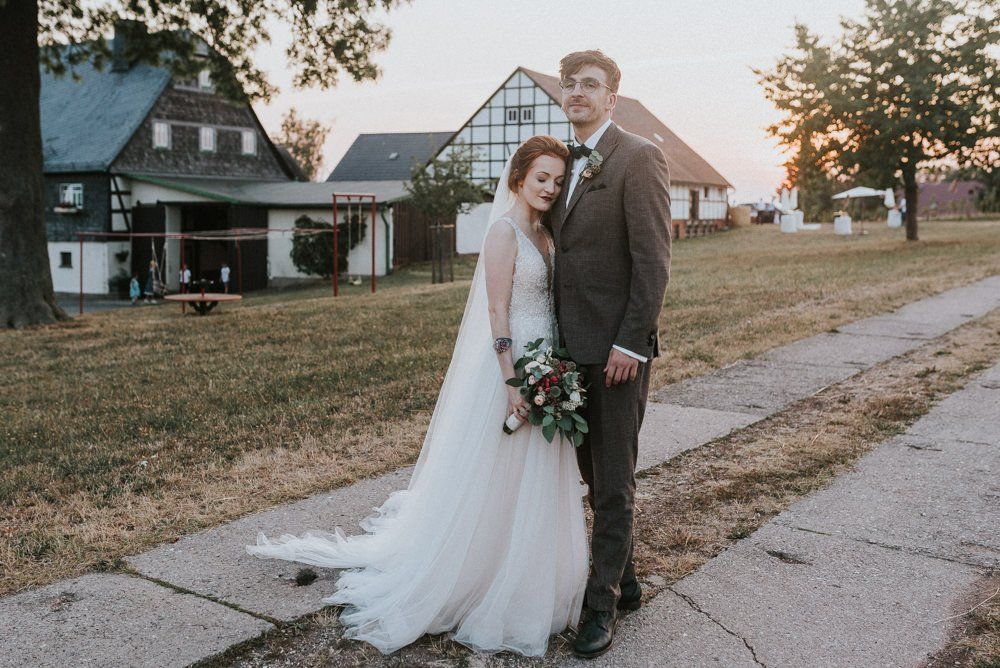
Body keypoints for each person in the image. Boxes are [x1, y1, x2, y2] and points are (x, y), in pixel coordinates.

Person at [247, 137, 587, 657]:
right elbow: (497, 315)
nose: (550, 187)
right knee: (495, 476)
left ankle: (532, 577)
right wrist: (512, 378)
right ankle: (477, 574)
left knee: (535, 476)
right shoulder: (504, 233)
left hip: (548, 364)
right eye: (542, 177)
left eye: (558, 181)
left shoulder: (545, 233)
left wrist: (554, 369)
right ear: (518, 176)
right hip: (513, 368)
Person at [546, 50, 671, 658]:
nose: (577, 93)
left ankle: (600, 611)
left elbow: (653, 263)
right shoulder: (557, 161)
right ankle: (625, 579)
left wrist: (630, 342)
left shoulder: (639, 157)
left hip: (617, 351)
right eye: (569, 85)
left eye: (589, 85)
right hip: (567, 350)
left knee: (614, 481)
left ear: (612, 98)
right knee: (591, 476)